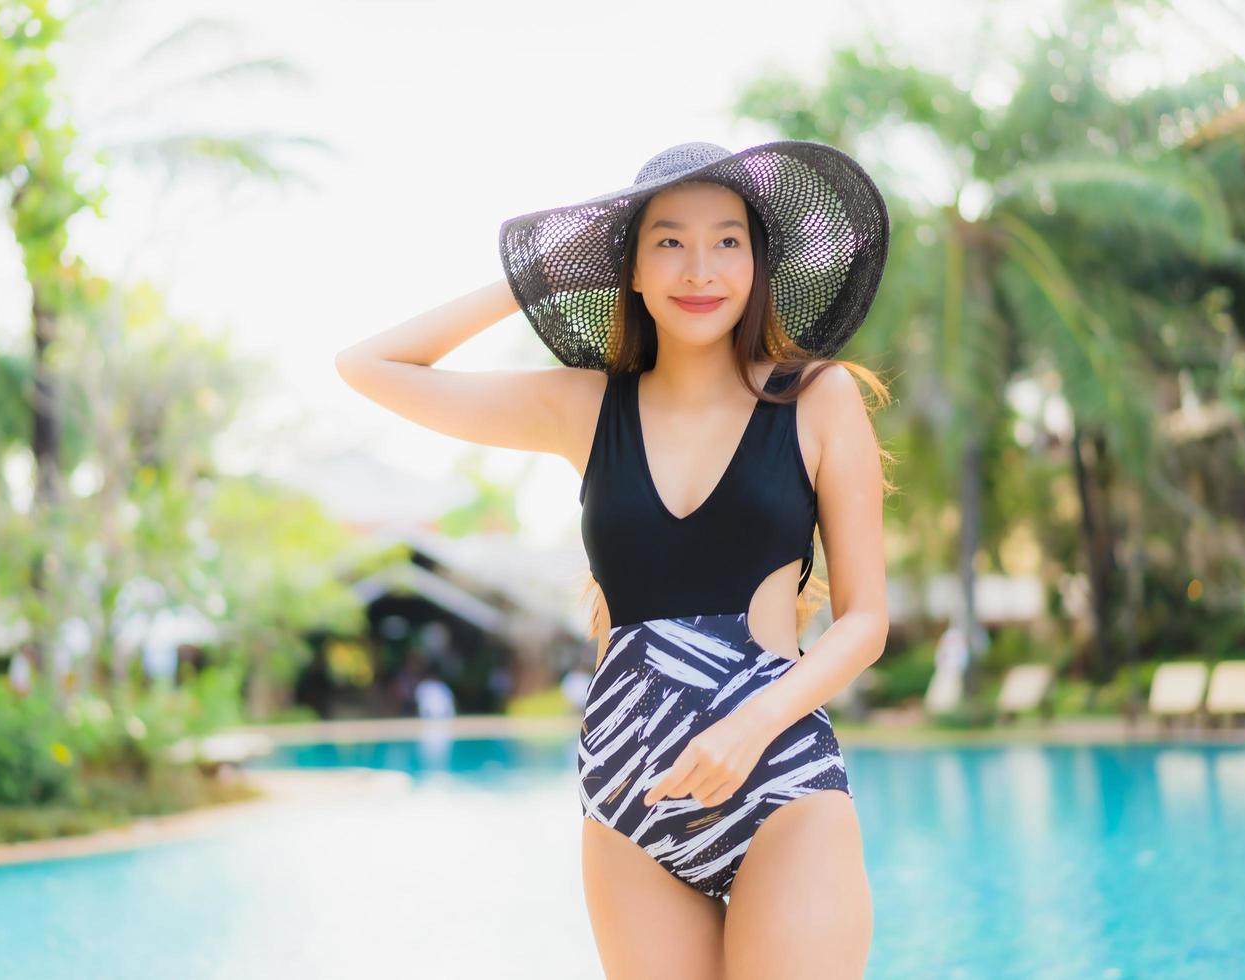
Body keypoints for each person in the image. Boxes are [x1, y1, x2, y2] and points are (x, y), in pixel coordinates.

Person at [335, 140, 892, 979]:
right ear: (628, 267)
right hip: (631, 800)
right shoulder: (584, 407)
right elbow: (367, 366)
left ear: (758, 262)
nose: (698, 267)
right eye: (667, 240)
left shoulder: (814, 397)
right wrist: (540, 277)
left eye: (727, 240)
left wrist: (748, 727)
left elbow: (866, 621)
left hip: (778, 777)